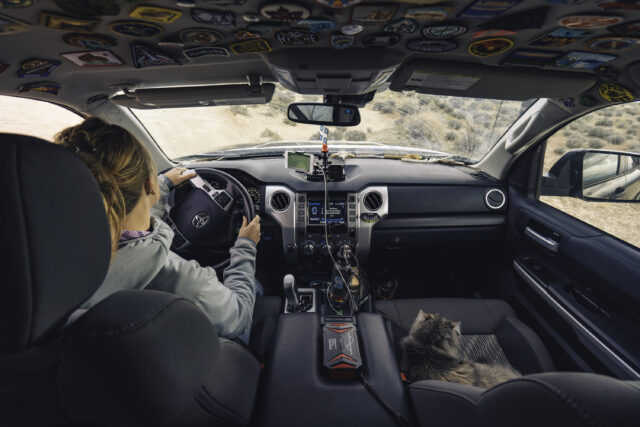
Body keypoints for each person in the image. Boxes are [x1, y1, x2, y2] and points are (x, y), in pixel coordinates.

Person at [56, 117, 268, 346]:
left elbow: (128, 216)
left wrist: (164, 183)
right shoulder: (181, 280)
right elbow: (237, 319)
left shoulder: (56, 250)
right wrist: (244, 248)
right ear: (150, 185)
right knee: (254, 286)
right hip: (207, 359)